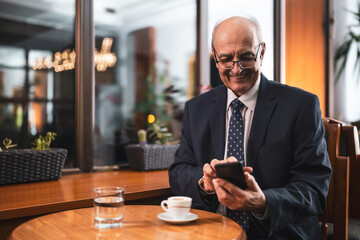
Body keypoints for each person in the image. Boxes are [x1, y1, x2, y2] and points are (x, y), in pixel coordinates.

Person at [168, 16, 331, 239]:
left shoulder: (301, 106)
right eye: (226, 59)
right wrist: (203, 183)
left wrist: (263, 203)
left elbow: (314, 190)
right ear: (215, 56)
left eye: (246, 57)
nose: (236, 70)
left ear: (261, 52)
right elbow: (178, 171)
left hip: (280, 233)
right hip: (212, 232)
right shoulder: (196, 109)